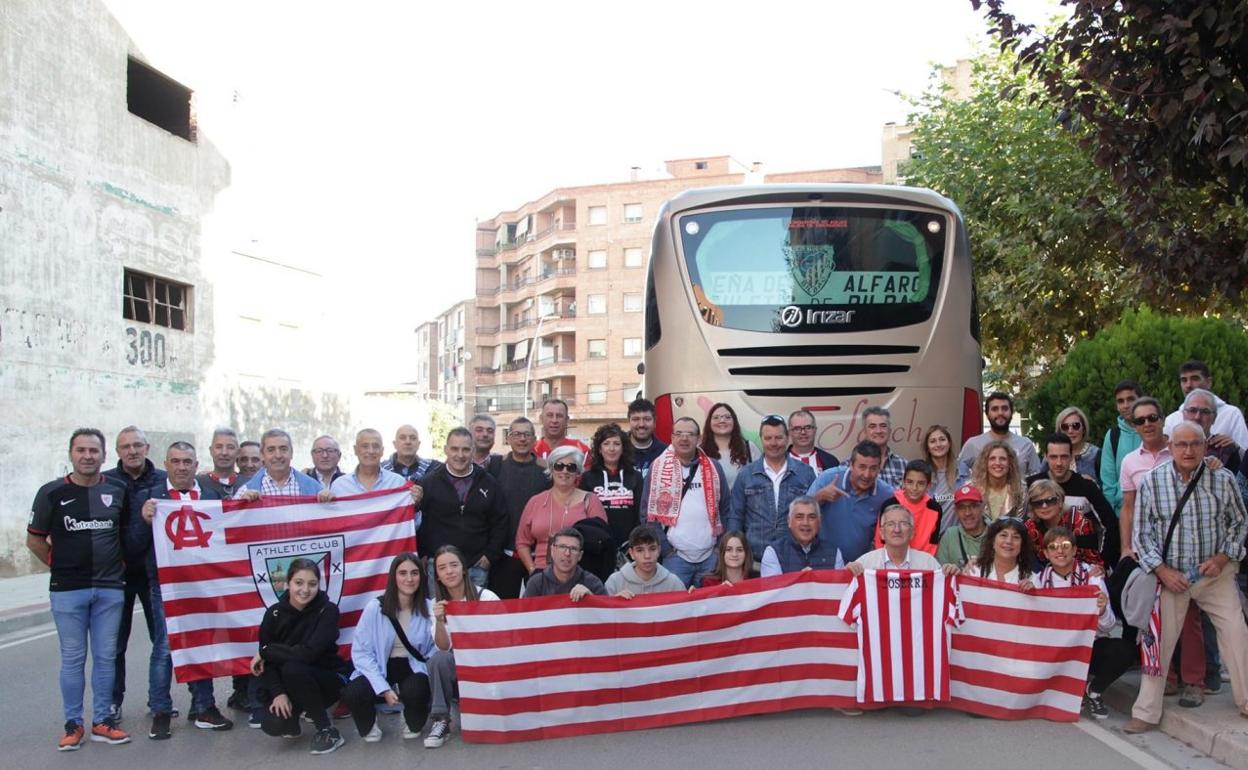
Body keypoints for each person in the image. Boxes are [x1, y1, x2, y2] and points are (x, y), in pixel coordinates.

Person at [1123, 420, 1248, 733]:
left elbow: (1239, 524)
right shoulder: (1152, 481)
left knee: (1236, 634)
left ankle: (1246, 701)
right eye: (1181, 444)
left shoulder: (1223, 478)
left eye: (1195, 444)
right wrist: (1163, 572)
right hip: (1172, 577)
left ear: (1205, 447)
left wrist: (1222, 558)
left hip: (1214, 575)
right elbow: (1142, 534)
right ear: (1170, 448)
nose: (1188, 450)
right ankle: (1146, 713)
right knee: (1159, 643)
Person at [27, 428, 131, 751]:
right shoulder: (51, 492)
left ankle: (103, 721)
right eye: (81, 450)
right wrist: (61, 567)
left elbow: (124, 537)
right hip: (67, 590)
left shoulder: (118, 490)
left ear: (103, 455)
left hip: (110, 590)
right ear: (71, 454)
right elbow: (34, 540)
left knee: (106, 658)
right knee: (73, 659)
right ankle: (73, 724)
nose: (88, 456)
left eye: (94, 451)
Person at [136, 442, 233, 738]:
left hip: (204, 584)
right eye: (175, 461)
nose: (181, 467)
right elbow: (132, 545)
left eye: (187, 462)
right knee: (166, 648)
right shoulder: (148, 497)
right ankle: (161, 710)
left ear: (195, 464)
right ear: (166, 463)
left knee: (202, 644)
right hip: (166, 586)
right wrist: (144, 520)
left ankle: (204, 706)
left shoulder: (211, 494)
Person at [251, 557, 351, 754]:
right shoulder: (273, 614)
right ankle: (294, 719)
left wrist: (266, 651)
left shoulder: (328, 610)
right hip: (291, 682)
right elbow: (267, 665)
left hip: (327, 679)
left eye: (312, 584)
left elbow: (308, 653)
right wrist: (279, 693)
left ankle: (327, 729)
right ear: (288, 583)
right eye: (299, 583)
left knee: (293, 668)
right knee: (274, 725)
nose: (305, 590)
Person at [101, 425, 166, 725]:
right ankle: (113, 702)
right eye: (126, 446)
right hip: (118, 575)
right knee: (116, 644)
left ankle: (160, 702)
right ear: (117, 451)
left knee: (162, 641)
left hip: (156, 574)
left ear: (147, 447)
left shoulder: (164, 480)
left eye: (138, 445)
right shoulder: (106, 483)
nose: (132, 451)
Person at [342, 553, 436, 745]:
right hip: (379, 664)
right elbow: (361, 652)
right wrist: (383, 688)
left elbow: (434, 649)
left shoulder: (429, 608)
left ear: (421, 576)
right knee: (354, 692)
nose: (409, 579)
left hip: (412, 664)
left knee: (417, 690)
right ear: (394, 577)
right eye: (402, 573)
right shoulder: (374, 608)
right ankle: (369, 722)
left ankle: (415, 717)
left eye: (414, 573)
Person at [1034, 527, 1120, 719]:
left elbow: (1109, 627)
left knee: (1123, 650)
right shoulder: (1038, 582)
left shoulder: (1092, 577)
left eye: (1065, 546)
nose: (1060, 551)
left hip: (1087, 647)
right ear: (1046, 553)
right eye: (1053, 547)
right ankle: (1067, 689)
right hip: (1056, 652)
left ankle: (1093, 690)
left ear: (1074, 550)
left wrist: (1103, 610)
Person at [640, 416, 731, 588]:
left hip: (711, 557)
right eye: (679, 433)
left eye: (690, 434)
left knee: (710, 609)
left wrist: (720, 546)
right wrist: (665, 549)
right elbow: (647, 514)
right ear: (672, 438)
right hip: (675, 559)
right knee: (674, 609)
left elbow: (726, 508)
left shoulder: (714, 467)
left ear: (699, 438)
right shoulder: (657, 467)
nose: (684, 438)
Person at [427, 546, 500, 749]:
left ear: (464, 569)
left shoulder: (487, 597)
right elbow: (442, 646)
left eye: (453, 565)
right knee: (438, 659)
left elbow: (502, 639)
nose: (449, 571)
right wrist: (440, 620)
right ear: (438, 576)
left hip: (487, 666)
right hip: (458, 666)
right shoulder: (437, 604)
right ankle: (441, 719)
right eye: (442, 568)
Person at [417, 427, 507, 588]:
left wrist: (490, 555)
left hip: (476, 566)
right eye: (454, 449)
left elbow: (500, 521)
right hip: (439, 567)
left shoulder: (488, 482)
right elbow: (419, 521)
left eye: (465, 449)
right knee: (439, 612)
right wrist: (424, 554)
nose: (460, 455)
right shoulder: (428, 483)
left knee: (474, 613)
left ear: (472, 451)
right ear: (446, 450)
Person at [725, 414, 817, 561]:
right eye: (768, 438)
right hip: (755, 560)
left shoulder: (805, 473)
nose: (773, 443)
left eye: (778, 438)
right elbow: (736, 516)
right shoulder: (745, 475)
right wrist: (732, 552)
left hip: (795, 559)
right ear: (761, 439)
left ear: (787, 438)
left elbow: (815, 517)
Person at [1026, 433, 1120, 566]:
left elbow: (1110, 525)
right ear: (1046, 457)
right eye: (1053, 457)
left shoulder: (1086, 486)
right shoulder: (1032, 484)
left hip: (1080, 560)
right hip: (1040, 563)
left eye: (1064, 457)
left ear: (1071, 457)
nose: (1059, 463)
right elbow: (1022, 523)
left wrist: (1103, 563)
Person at [516, 446, 608, 574]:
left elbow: (602, 541)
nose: (564, 471)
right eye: (559, 466)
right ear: (551, 469)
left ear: (578, 472)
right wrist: (532, 570)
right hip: (541, 574)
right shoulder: (535, 501)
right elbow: (522, 542)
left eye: (571, 467)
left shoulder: (591, 501)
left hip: (578, 574)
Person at [488, 417, 550, 599]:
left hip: (538, 553)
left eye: (527, 434)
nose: (522, 439)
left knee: (540, 608)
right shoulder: (496, 466)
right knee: (504, 609)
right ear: (508, 438)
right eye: (517, 434)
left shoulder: (546, 470)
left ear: (534, 439)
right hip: (505, 553)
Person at [810, 441, 896, 564]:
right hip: (823, 562)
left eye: (873, 469)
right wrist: (819, 497)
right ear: (851, 465)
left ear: (879, 468)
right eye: (862, 467)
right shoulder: (829, 478)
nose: (867, 475)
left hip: (860, 566)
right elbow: (801, 511)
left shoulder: (886, 493)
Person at [1118, 397, 1172, 561]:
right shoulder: (1129, 461)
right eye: (1140, 420)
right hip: (1144, 547)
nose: (1147, 423)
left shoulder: (1180, 452)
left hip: (1178, 542)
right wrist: (1126, 548)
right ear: (1135, 427)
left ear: (1162, 420)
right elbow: (1128, 507)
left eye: (1152, 418)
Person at [580, 423, 643, 556]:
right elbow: (583, 515)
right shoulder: (587, 478)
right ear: (599, 449)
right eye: (606, 443)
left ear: (623, 448)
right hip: (597, 547)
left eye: (616, 444)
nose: (612, 448)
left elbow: (640, 514)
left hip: (629, 547)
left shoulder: (635, 476)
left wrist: (634, 542)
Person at [849, 503, 958, 575]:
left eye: (903, 524)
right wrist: (847, 572)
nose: (897, 529)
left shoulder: (928, 563)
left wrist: (950, 574)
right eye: (890, 524)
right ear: (881, 533)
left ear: (912, 533)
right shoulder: (865, 563)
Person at [1162, 360, 1248, 451]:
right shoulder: (1172, 419)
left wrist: (1234, 446)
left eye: (1195, 378)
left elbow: (1245, 452)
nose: (1188, 385)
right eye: (1184, 380)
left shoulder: (1231, 414)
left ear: (1209, 382)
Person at [957, 391, 1042, 479]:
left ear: (1012, 413)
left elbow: (1036, 478)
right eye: (995, 409)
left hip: (1018, 492)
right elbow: (959, 475)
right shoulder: (973, 444)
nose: (1000, 413)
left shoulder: (1025, 444)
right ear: (987, 414)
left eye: (1005, 408)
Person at [1023, 478, 1102, 568]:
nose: (1044, 506)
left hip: (1079, 574)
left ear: (1060, 502)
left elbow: (1093, 562)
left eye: (1050, 500)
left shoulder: (1079, 522)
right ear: (1032, 507)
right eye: (1038, 503)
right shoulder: (1029, 527)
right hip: (1042, 576)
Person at [871, 459, 943, 556]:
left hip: (921, 563)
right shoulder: (890, 504)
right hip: (890, 561)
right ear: (903, 482)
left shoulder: (935, 509)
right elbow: (880, 539)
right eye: (910, 482)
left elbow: (932, 543)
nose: (914, 488)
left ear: (928, 486)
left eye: (921, 483)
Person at [760, 496, 841, 576]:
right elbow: (772, 588)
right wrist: (799, 581)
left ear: (819, 522)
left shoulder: (834, 552)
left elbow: (841, 587)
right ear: (789, 521)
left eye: (811, 517)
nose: (805, 523)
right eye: (799, 517)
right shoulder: (774, 552)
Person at [236, 429, 324, 499]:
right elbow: (230, 519)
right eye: (271, 450)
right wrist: (241, 506)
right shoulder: (245, 491)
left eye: (283, 449)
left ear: (292, 453)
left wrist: (328, 500)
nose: (278, 455)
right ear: (262, 455)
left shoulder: (314, 488)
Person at [523, 528, 608, 600]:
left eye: (573, 549)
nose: (567, 553)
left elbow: (606, 616)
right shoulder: (537, 583)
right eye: (562, 547)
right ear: (552, 550)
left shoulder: (592, 583)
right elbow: (523, 615)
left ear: (580, 555)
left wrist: (591, 599)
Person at [1099, 379, 1143, 512]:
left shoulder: (1154, 430)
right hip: (1122, 511)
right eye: (1120, 401)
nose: (1125, 405)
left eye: (1130, 399)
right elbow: (1108, 479)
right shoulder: (1113, 435)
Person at [326, 429, 412, 495]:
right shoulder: (339, 486)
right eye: (365, 446)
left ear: (382, 451)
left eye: (375, 446)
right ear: (356, 450)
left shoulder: (397, 483)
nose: (371, 451)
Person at [606, 526, 687, 597]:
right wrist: (613, 603)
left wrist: (693, 598)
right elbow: (603, 612)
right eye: (640, 550)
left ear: (659, 550)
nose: (647, 556)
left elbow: (685, 610)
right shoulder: (614, 582)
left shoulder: (674, 583)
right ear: (631, 553)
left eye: (652, 549)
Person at [700, 402, 759, 491]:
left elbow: (761, 479)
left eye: (727, 417)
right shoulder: (700, 451)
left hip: (743, 504)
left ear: (734, 422)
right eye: (716, 417)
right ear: (709, 423)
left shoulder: (749, 447)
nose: (722, 420)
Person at [962, 517, 1035, 589]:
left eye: (1016, 537)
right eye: (1003, 535)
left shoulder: (1032, 579)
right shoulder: (974, 572)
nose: (1009, 541)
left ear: (1022, 545)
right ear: (992, 542)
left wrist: (1034, 595)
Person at [846, 406, 907, 487]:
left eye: (883, 426)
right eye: (872, 426)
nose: (878, 431)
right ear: (864, 431)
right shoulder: (847, 465)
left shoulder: (903, 465)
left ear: (889, 431)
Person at [1185, 388, 1243, 473]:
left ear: (1214, 418)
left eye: (1205, 412)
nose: (1197, 417)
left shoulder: (1225, 450)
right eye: (1192, 410)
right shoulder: (1171, 447)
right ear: (1183, 415)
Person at [968, 440, 1025, 521]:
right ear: (985, 462)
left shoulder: (1021, 490)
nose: (997, 463)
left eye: (1003, 459)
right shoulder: (972, 489)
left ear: (1010, 463)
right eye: (992, 459)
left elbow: (1019, 524)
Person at [935, 485, 991, 568]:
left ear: (982, 508)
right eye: (961, 507)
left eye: (973, 506)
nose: (967, 513)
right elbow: (940, 573)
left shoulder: (997, 532)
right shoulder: (950, 536)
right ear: (955, 511)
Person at [923, 425, 958, 532]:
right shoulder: (923, 474)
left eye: (942, 439)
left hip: (955, 540)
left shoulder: (962, 472)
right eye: (933, 441)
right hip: (930, 539)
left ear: (949, 443)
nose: (938, 444)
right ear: (927, 447)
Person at [787, 409, 840, 473]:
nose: (803, 432)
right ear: (789, 432)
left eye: (808, 427)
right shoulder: (778, 461)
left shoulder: (831, 461)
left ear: (815, 430)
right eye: (797, 428)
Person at [627, 397, 668, 476]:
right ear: (629, 421)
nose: (641, 424)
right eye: (636, 419)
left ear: (655, 422)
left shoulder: (666, 453)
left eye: (647, 419)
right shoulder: (617, 450)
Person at [197, 426, 241, 498]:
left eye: (230, 447)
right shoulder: (197, 484)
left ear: (238, 452)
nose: (224, 453)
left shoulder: (249, 485)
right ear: (211, 451)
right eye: (219, 447)